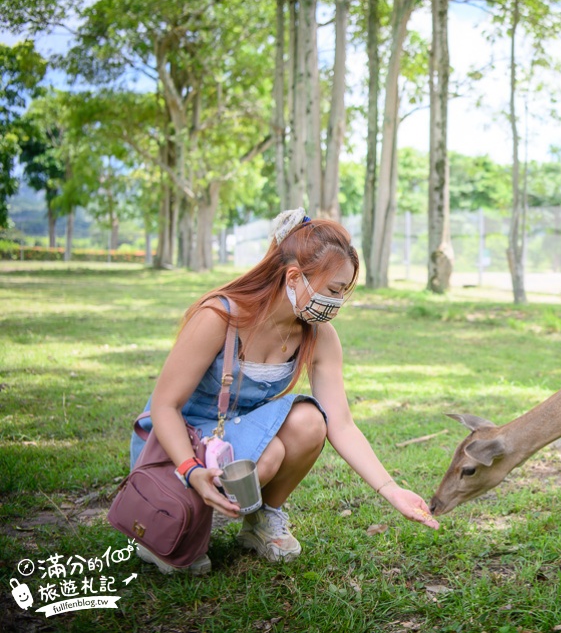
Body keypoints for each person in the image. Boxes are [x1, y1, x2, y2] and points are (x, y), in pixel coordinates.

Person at [130, 209, 439, 575]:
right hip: (175, 441)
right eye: (334, 291)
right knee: (186, 564)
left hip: (236, 438)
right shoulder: (218, 316)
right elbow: (165, 406)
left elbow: (340, 424)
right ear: (294, 277)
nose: (338, 305)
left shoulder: (318, 334)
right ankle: (168, 518)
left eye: (344, 294)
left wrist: (392, 491)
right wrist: (191, 469)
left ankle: (261, 519)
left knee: (309, 421)